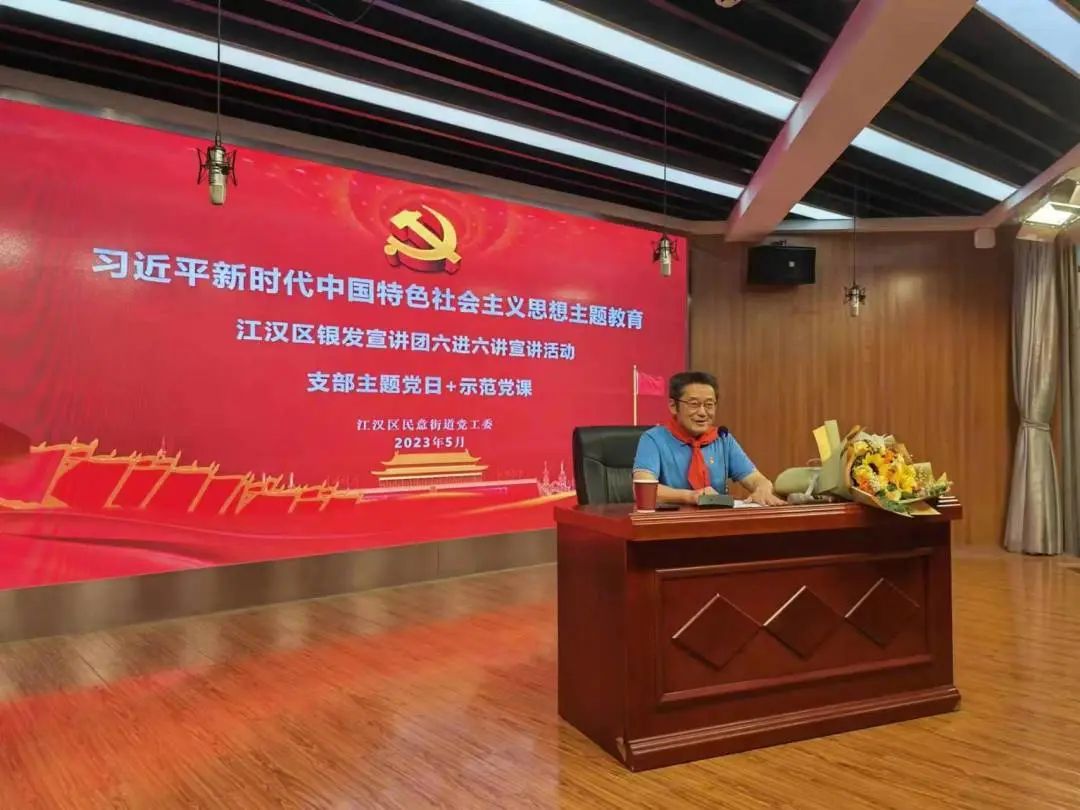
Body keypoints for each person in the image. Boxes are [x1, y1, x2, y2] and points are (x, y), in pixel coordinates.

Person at [632, 370, 785, 506]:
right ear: (673, 406)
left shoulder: (722, 439)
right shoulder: (653, 439)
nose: (702, 412)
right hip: (669, 523)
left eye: (709, 405)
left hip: (715, 523)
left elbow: (756, 479)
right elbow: (642, 490)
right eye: (694, 404)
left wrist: (762, 490)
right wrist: (691, 496)